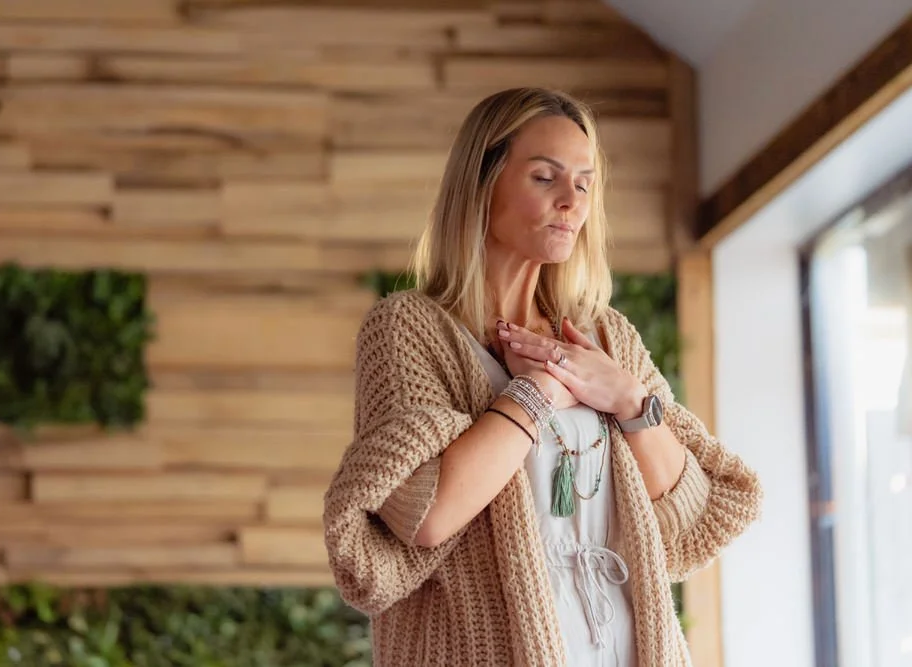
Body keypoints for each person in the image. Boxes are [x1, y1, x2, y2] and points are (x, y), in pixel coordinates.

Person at [322, 87, 762, 666]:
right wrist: (538, 392)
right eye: (544, 177)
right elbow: (425, 516)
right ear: (483, 183)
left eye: (583, 183)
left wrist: (630, 401)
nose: (571, 202)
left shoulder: (607, 337)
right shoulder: (407, 328)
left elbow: (691, 515)